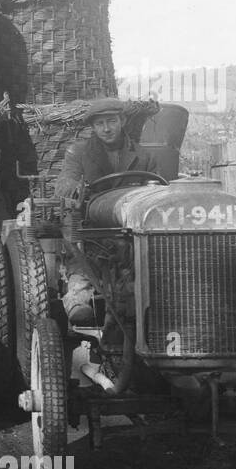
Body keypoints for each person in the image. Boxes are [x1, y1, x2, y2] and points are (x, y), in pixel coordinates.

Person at [55, 97, 165, 323]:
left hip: (131, 232)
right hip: (93, 228)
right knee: (81, 258)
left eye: (111, 121)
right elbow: (64, 183)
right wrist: (78, 189)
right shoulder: (78, 152)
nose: (106, 129)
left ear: (122, 121)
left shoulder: (144, 156)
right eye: (100, 124)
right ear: (93, 127)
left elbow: (160, 193)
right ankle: (77, 295)